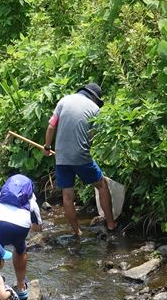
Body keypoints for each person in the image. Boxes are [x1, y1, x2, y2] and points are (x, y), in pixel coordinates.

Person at [43, 82, 116, 237]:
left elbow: (51, 126)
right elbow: (93, 135)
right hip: (81, 156)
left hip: (61, 156)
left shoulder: (63, 101)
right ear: (95, 98)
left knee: (67, 196)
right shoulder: (95, 109)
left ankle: (77, 232)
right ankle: (111, 224)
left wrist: (47, 147)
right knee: (102, 185)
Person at [0, 174, 42, 300]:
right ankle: (21, 286)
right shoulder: (30, 199)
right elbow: (37, 227)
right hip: (19, 227)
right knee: (20, 249)